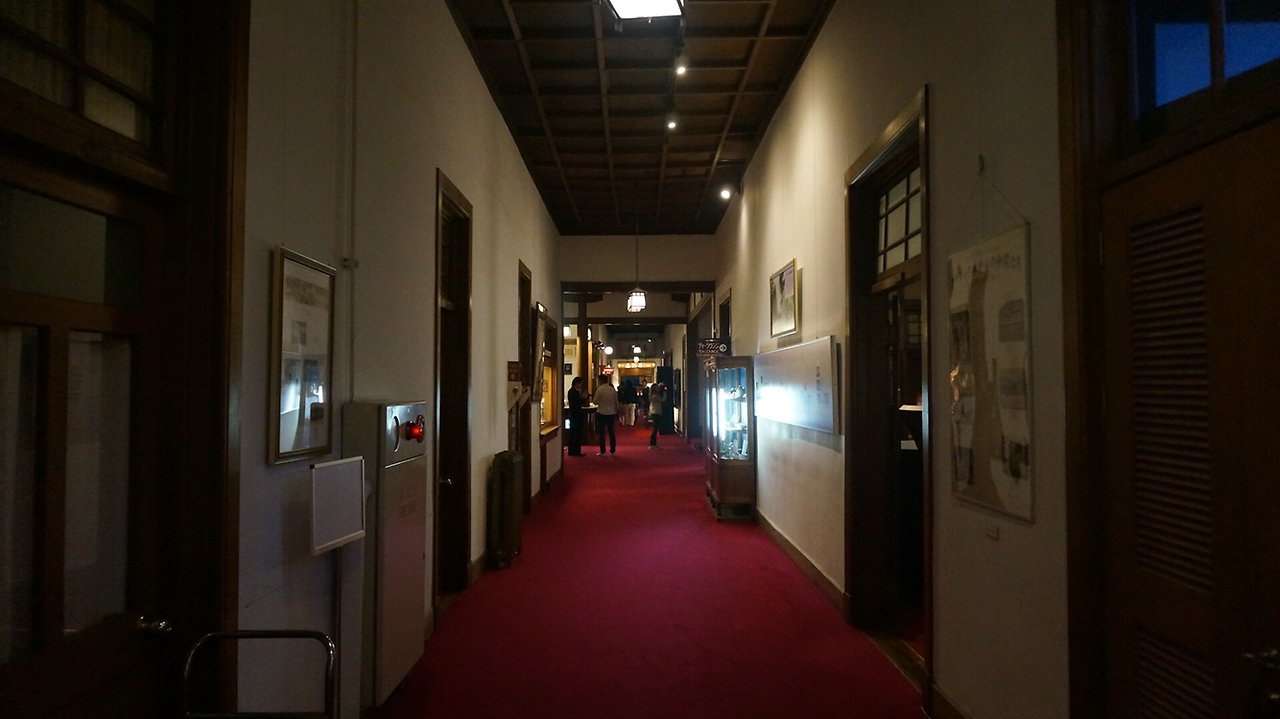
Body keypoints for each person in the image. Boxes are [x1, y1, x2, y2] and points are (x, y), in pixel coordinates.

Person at [592, 374, 618, 455]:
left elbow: (595, 401)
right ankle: (612, 450)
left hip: (601, 412)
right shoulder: (612, 389)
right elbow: (616, 401)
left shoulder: (599, 390)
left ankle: (602, 451)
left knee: (602, 433)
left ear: (600, 381)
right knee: (611, 432)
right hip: (611, 412)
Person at [566, 376, 586, 456]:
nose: (581, 385)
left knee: (572, 433)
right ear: (577, 383)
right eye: (580, 384)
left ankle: (571, 450)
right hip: (576, 415)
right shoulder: (575, 392)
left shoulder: (570, 391)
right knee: (576, 433)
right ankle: (576, 451)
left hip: (572, 414)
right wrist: (584, 398)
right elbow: (577, 403)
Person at [648, 382, 667, 449]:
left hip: (654, 411)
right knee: (655, 429)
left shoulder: (652, 395)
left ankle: (654, 443)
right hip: (656, 412)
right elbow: (663, 400)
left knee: (655, 428)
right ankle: (652, 444)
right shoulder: (655, 396)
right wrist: (665, 393)